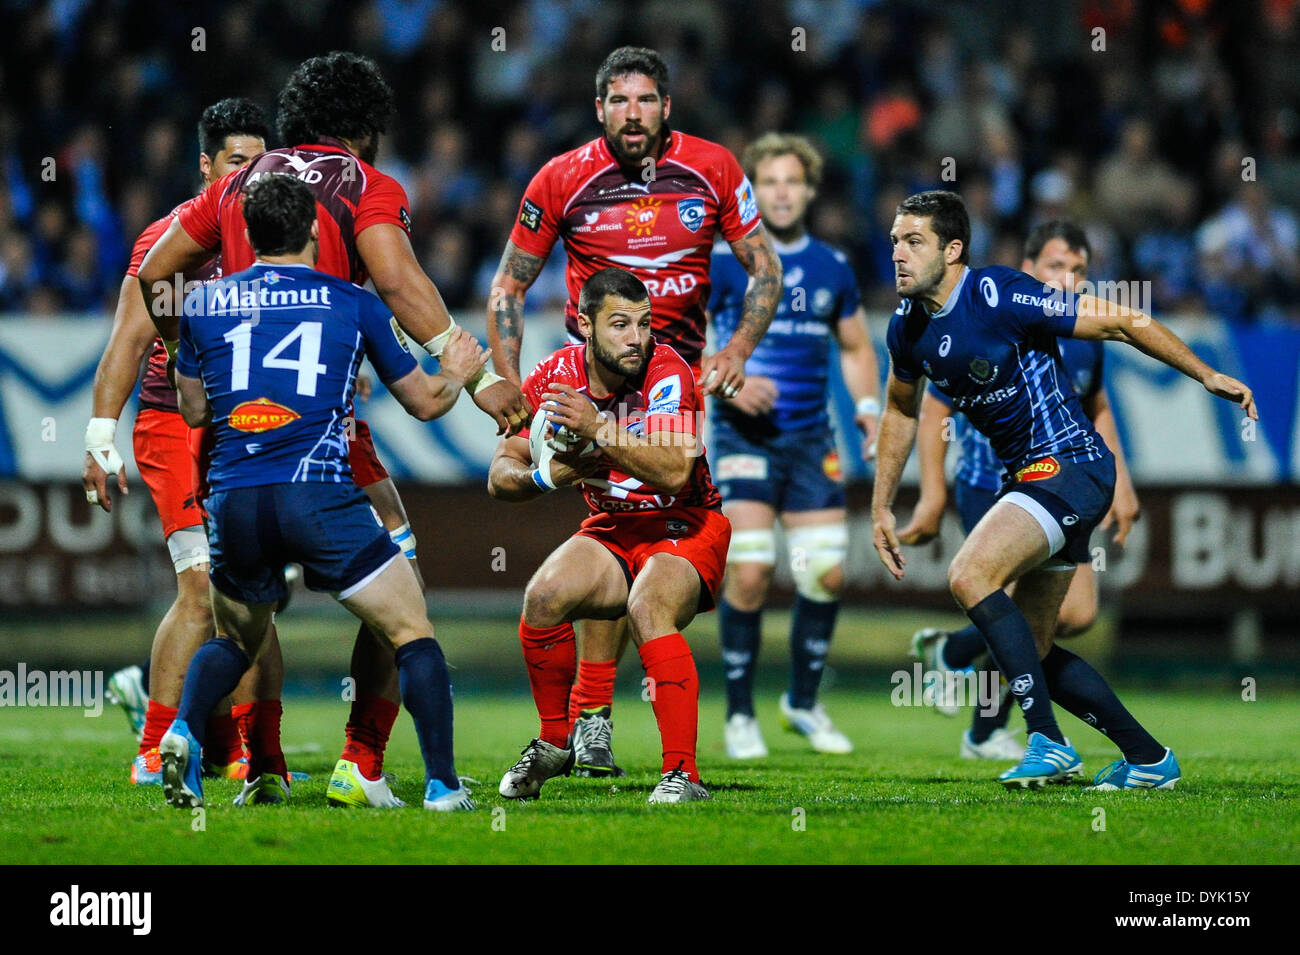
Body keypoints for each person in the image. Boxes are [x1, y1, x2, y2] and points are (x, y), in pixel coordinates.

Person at [137, 52, 527, 808]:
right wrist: (476, 374)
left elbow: (155, 270)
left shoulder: (236, 186)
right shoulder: (362, 185)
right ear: (366, 130)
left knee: (240, 625)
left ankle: (244, 757)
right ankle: (368, 763)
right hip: (322, 431)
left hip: (232, 437)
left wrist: (185, 341)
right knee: (404, 595)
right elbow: (397, 279)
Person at [872, 190, 1255, 789]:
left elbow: (1124, 319)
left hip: (1067, 466)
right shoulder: (908, 329)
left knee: (970, 575)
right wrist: (880, 505)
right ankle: (1150, 759)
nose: (897, 252)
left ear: (952, 250)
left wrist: (1205, 373)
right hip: (1034, 480)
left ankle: (1047, 741)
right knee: (1030, 649)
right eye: (895, 239)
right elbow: (899, 410)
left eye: (913, 241)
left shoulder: (998, 293)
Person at [484, 46, 781, 775]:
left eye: (646, 100)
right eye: (619, 101)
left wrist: (739, 349)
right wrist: (510, 381)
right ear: (599, 109)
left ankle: (609, 726)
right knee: (608, 534)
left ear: (667, 107)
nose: (634, 114)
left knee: (657, 527)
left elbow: (765, 269)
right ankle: (589, 723)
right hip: (595, 382)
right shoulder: (561, 178)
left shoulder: (712, 169)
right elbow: (507, 289)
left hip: (675, 384)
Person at [161, 173, 486, 810]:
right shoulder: (353, 302)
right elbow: (424, 403)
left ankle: (182, 735)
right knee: (411, 630)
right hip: (317, 495)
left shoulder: (201, 304)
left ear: (248, 237)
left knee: (233, 641)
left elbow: (193, 410)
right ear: (316, 229)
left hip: (234, 499)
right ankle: (443, 787)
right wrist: (457, 370)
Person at [83, 98, 280, 785]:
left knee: (251, 595)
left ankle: (238, 748)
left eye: (260, 164)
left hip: (248, 429)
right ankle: (153, 746)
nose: (249, 177)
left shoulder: (274, 240)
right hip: (173, 425)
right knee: (201, 590)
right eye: (235, 162)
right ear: (205, 165)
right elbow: (127, 345)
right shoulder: (167, 243)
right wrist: (99, 434)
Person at [899, 220, 1141, 760]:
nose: (1069, 278)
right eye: (1057, 266)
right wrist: (933, 493)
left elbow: (1095, 405)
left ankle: (955, 654)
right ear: (1029, 269)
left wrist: (1121, 483)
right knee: (999, 599)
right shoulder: (995, 309)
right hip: (991, 483)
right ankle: (1008, 732)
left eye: (1079, 270)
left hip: (1057, 478)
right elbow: (934, 403)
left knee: (1071, 617)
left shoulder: (1080, 331)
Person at [487, 268, 730, 803]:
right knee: (543, 597)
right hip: (615, 527)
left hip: (685, 524)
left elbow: (673, 472)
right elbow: (501, 474)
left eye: (644, 324)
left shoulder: (668, 370)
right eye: (620, 325)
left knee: (647, 607)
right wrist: (544, 477)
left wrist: (598, 428)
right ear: (584, 325)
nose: (637, 338)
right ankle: (555, 743)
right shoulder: (555, 376)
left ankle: (683, 776)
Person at [707, 133, 881, 758]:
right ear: (751, 192)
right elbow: (675, 344)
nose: (781, 192)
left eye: (792, 181)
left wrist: (867, 408)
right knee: (750, 573)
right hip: (742, 437)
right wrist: (728, 378)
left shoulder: (832, 266)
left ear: (808, 191)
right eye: (768, 182)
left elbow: (858, 346)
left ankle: (802, 703)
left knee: (824, 572)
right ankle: (738, 715)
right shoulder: (724, 262)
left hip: (811, 440)